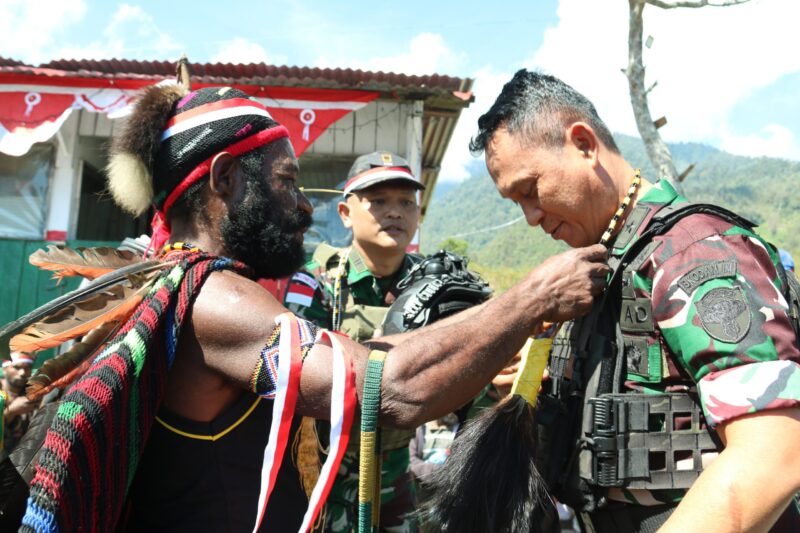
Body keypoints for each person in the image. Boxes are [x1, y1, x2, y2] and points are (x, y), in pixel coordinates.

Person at [18, 83, 608, 532]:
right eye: (286, 180)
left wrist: (491, 324)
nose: (303, 206)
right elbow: (388, 388)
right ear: (225, 179)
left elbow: (357, 359)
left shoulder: (174, 286)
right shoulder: (211, 299)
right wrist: (533, 298)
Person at [469, 69, 800, 532]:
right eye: (515, 202)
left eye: (530, 190)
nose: (529, 217)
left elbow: (773, 454)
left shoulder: (692, 251)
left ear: (583, 144)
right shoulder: (606, 268)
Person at [285, 151, 425, 532]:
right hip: (326, 472)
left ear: (419, 214)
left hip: (397, 469)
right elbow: (298, 375)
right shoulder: (316, 283)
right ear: (346, 213)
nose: (394, 212)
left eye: (405, 203)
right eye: (377, 201)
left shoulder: (434, 285)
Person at [1, 352, 37, 452]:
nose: (22, 373)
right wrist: (11, 411)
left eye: (28, 367)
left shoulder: (35, 391)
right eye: (16, 367)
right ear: (4, 369)